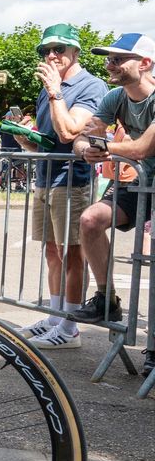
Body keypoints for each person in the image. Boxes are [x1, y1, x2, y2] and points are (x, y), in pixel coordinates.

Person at [11, 24, 106, 349]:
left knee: (72, 255)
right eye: (46, 50)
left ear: (75, 51)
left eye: (59, 49)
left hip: (72, 181)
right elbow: (50, 142)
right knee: (52, 252)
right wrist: (27, 139)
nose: (51, 55)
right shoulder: (51, 87)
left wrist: (55, 91)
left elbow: (70, 133)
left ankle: (70, 327)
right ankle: (55, 317)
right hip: (45, 178)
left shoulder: (89, 85)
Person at [73, 33, 155, 375]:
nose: (111, 64)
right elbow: (83, 137)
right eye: (109, 59)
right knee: (91, 220)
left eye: (119, 59)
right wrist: (86, 149)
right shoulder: (115, 97)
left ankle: (152, 350)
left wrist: (104, 146)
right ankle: (106, 300)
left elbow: (140, 149)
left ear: (146, 63)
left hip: (144, 170)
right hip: (143, 180)